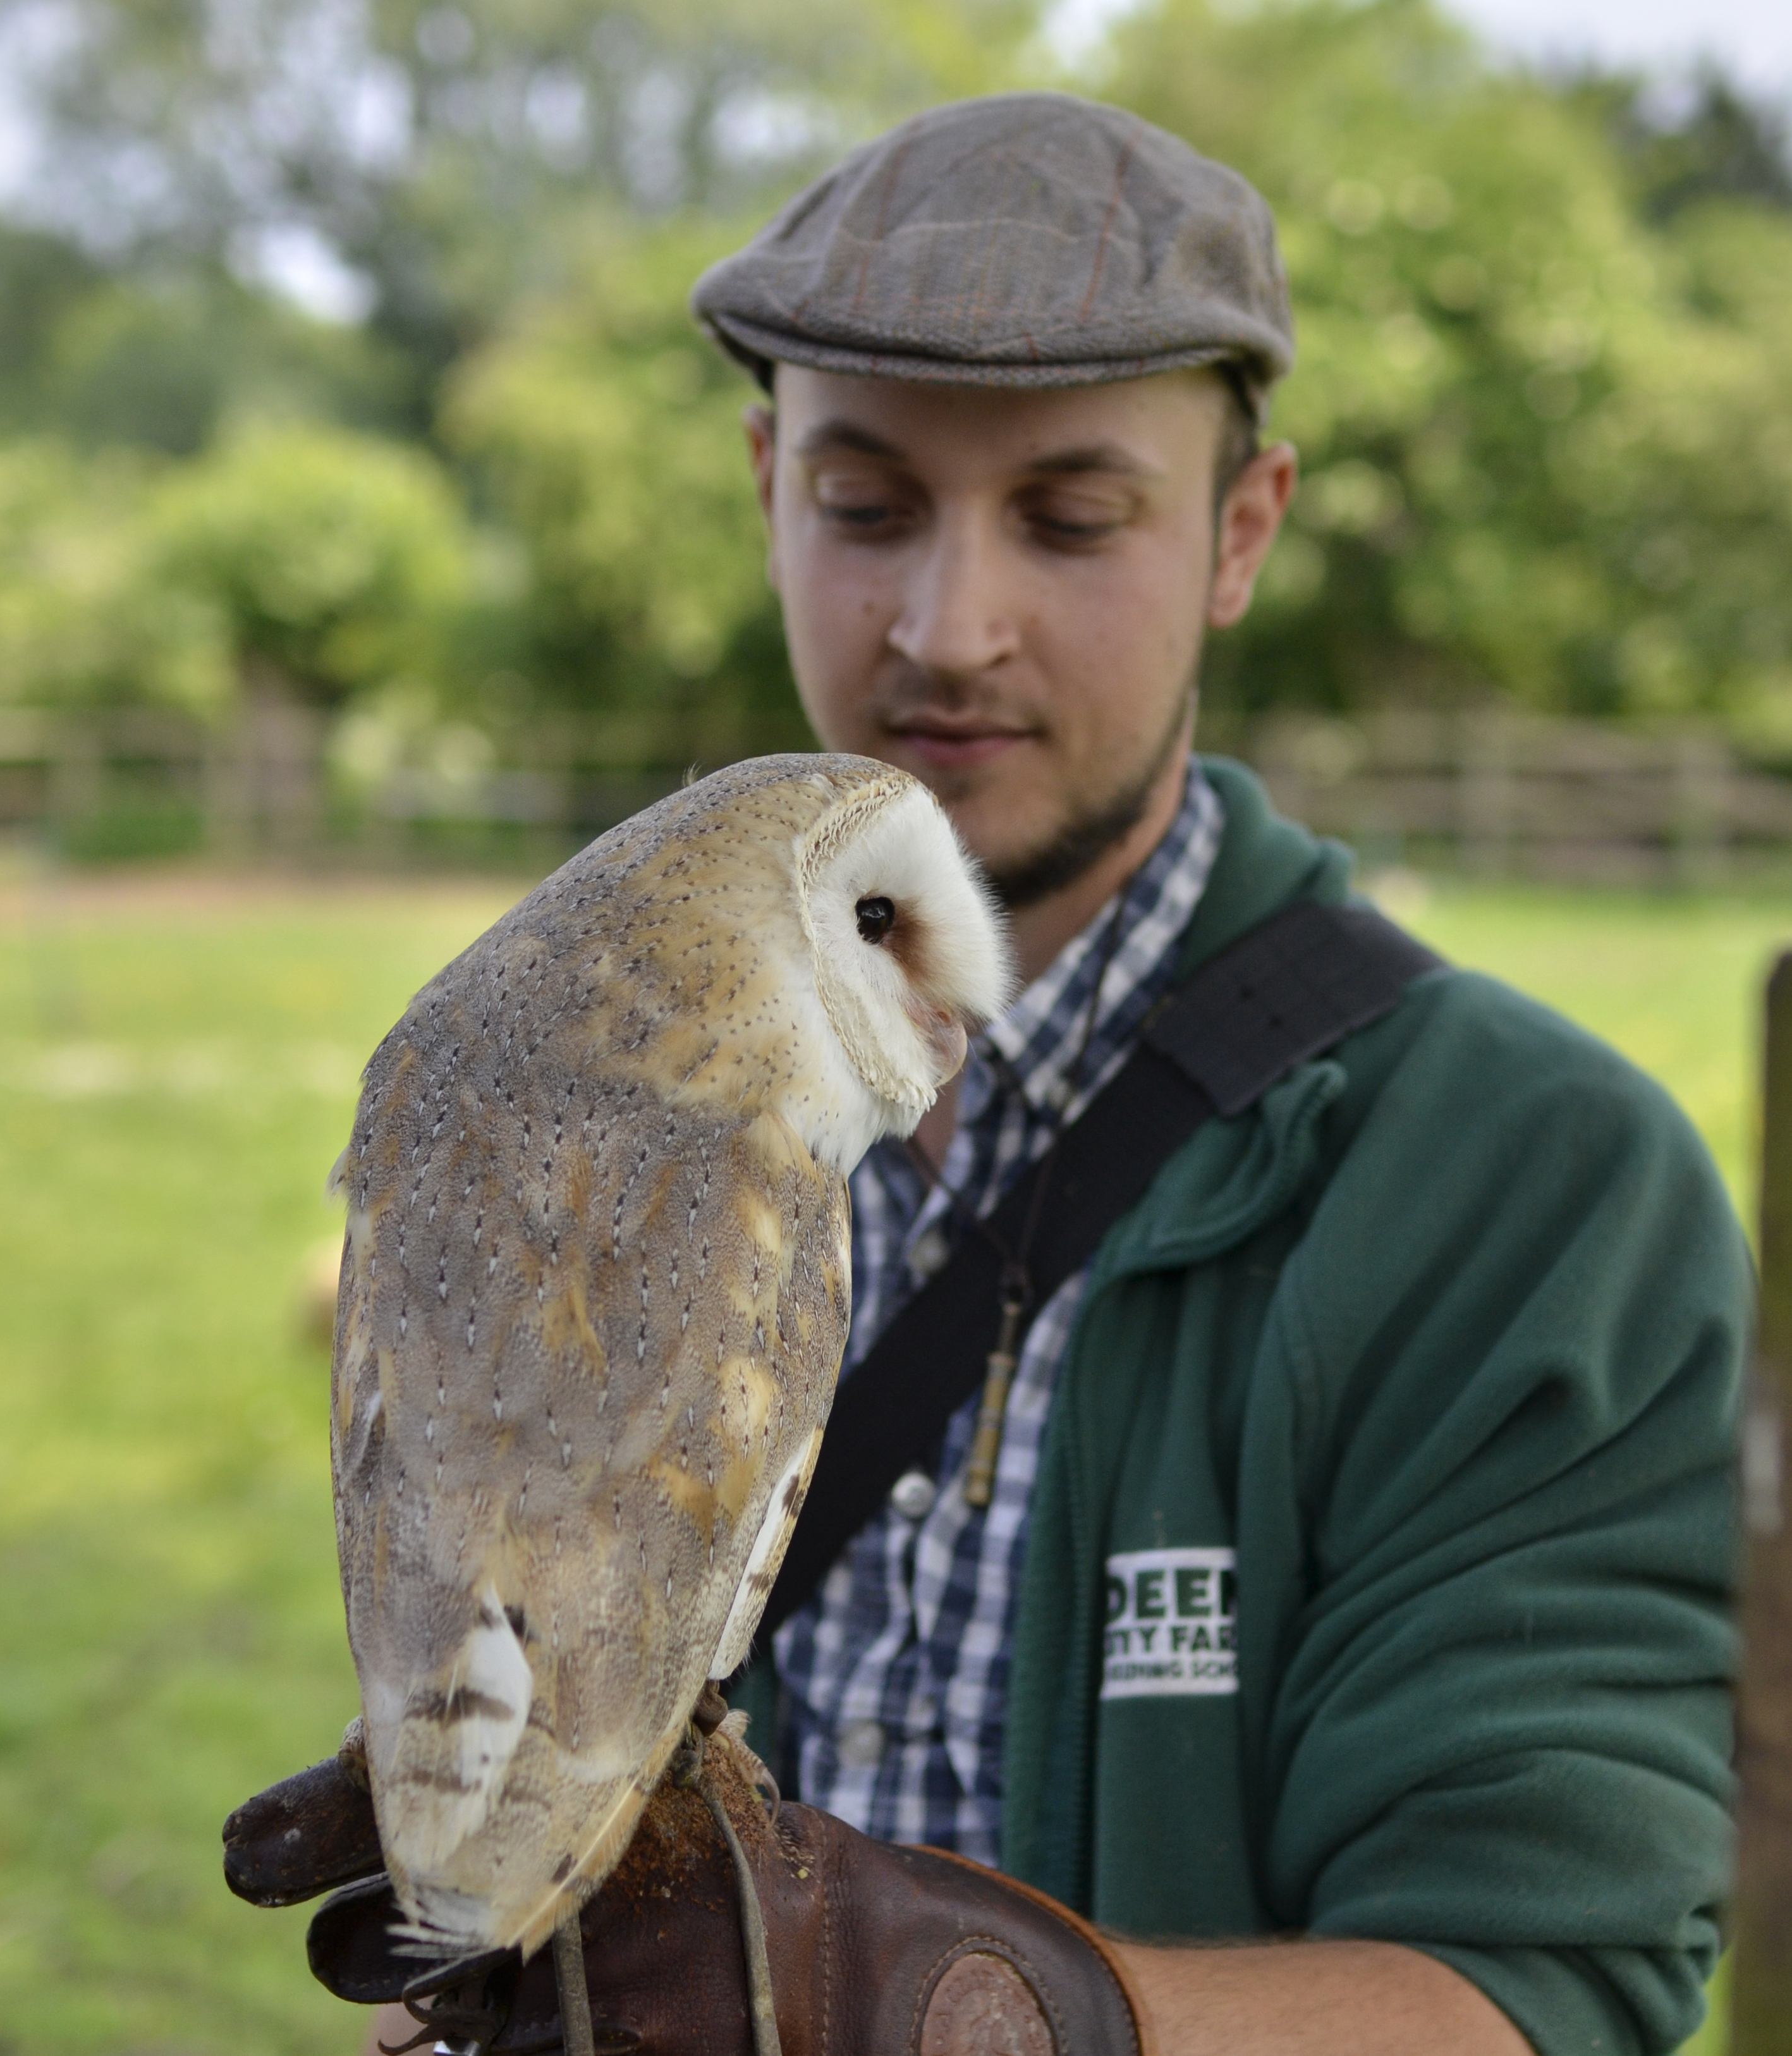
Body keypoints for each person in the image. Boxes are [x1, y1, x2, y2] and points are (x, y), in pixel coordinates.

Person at [355, 92, 1746, 2055]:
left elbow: (1539, 1985)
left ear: (1238, 533)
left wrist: (914, 2005)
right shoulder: (582, 1127)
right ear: (765, 487)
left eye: (1073, 517)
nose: (947, 624)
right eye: (862, 505)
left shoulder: (1525, 1183)